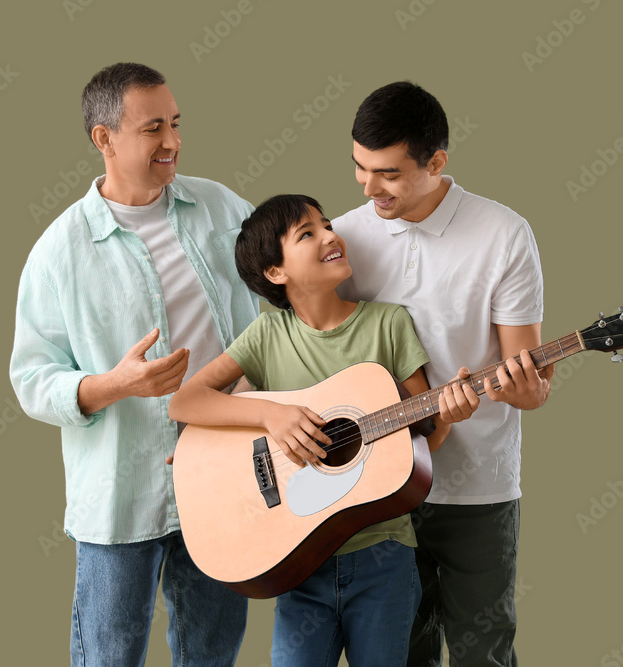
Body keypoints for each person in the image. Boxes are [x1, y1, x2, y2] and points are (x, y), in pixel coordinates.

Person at [9, 62, 254, 666]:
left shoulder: (222, 209)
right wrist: (115, 384)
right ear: (104, 139)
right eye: (152, 129)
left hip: (224, 477)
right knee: (108, 657)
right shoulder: (57, 253)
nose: (172, 142)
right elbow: (32, 380)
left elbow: (284, 297)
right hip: (119, 498)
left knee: (213, 653)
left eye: (175, 124)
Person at [168, 194, 479, 666]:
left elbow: (423, 434)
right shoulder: (267, 335)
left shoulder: (387, 324)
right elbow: (184, 401)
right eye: (307, 234)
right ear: (276, 272)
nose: (330, 235)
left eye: (327, 225)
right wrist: (272, 415)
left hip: (384, 558)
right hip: (299, 560)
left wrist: (448, 418)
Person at [332, 81, 554, 666]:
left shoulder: (504, 234)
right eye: (359, 167)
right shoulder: (341, 238)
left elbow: (528, 382)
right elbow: (306, 351)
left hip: (478, 486)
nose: (368, 186)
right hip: (371, 485)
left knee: (484, 649)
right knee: (397, 653)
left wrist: (526, 389)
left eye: (388, 173)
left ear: (436, 163)